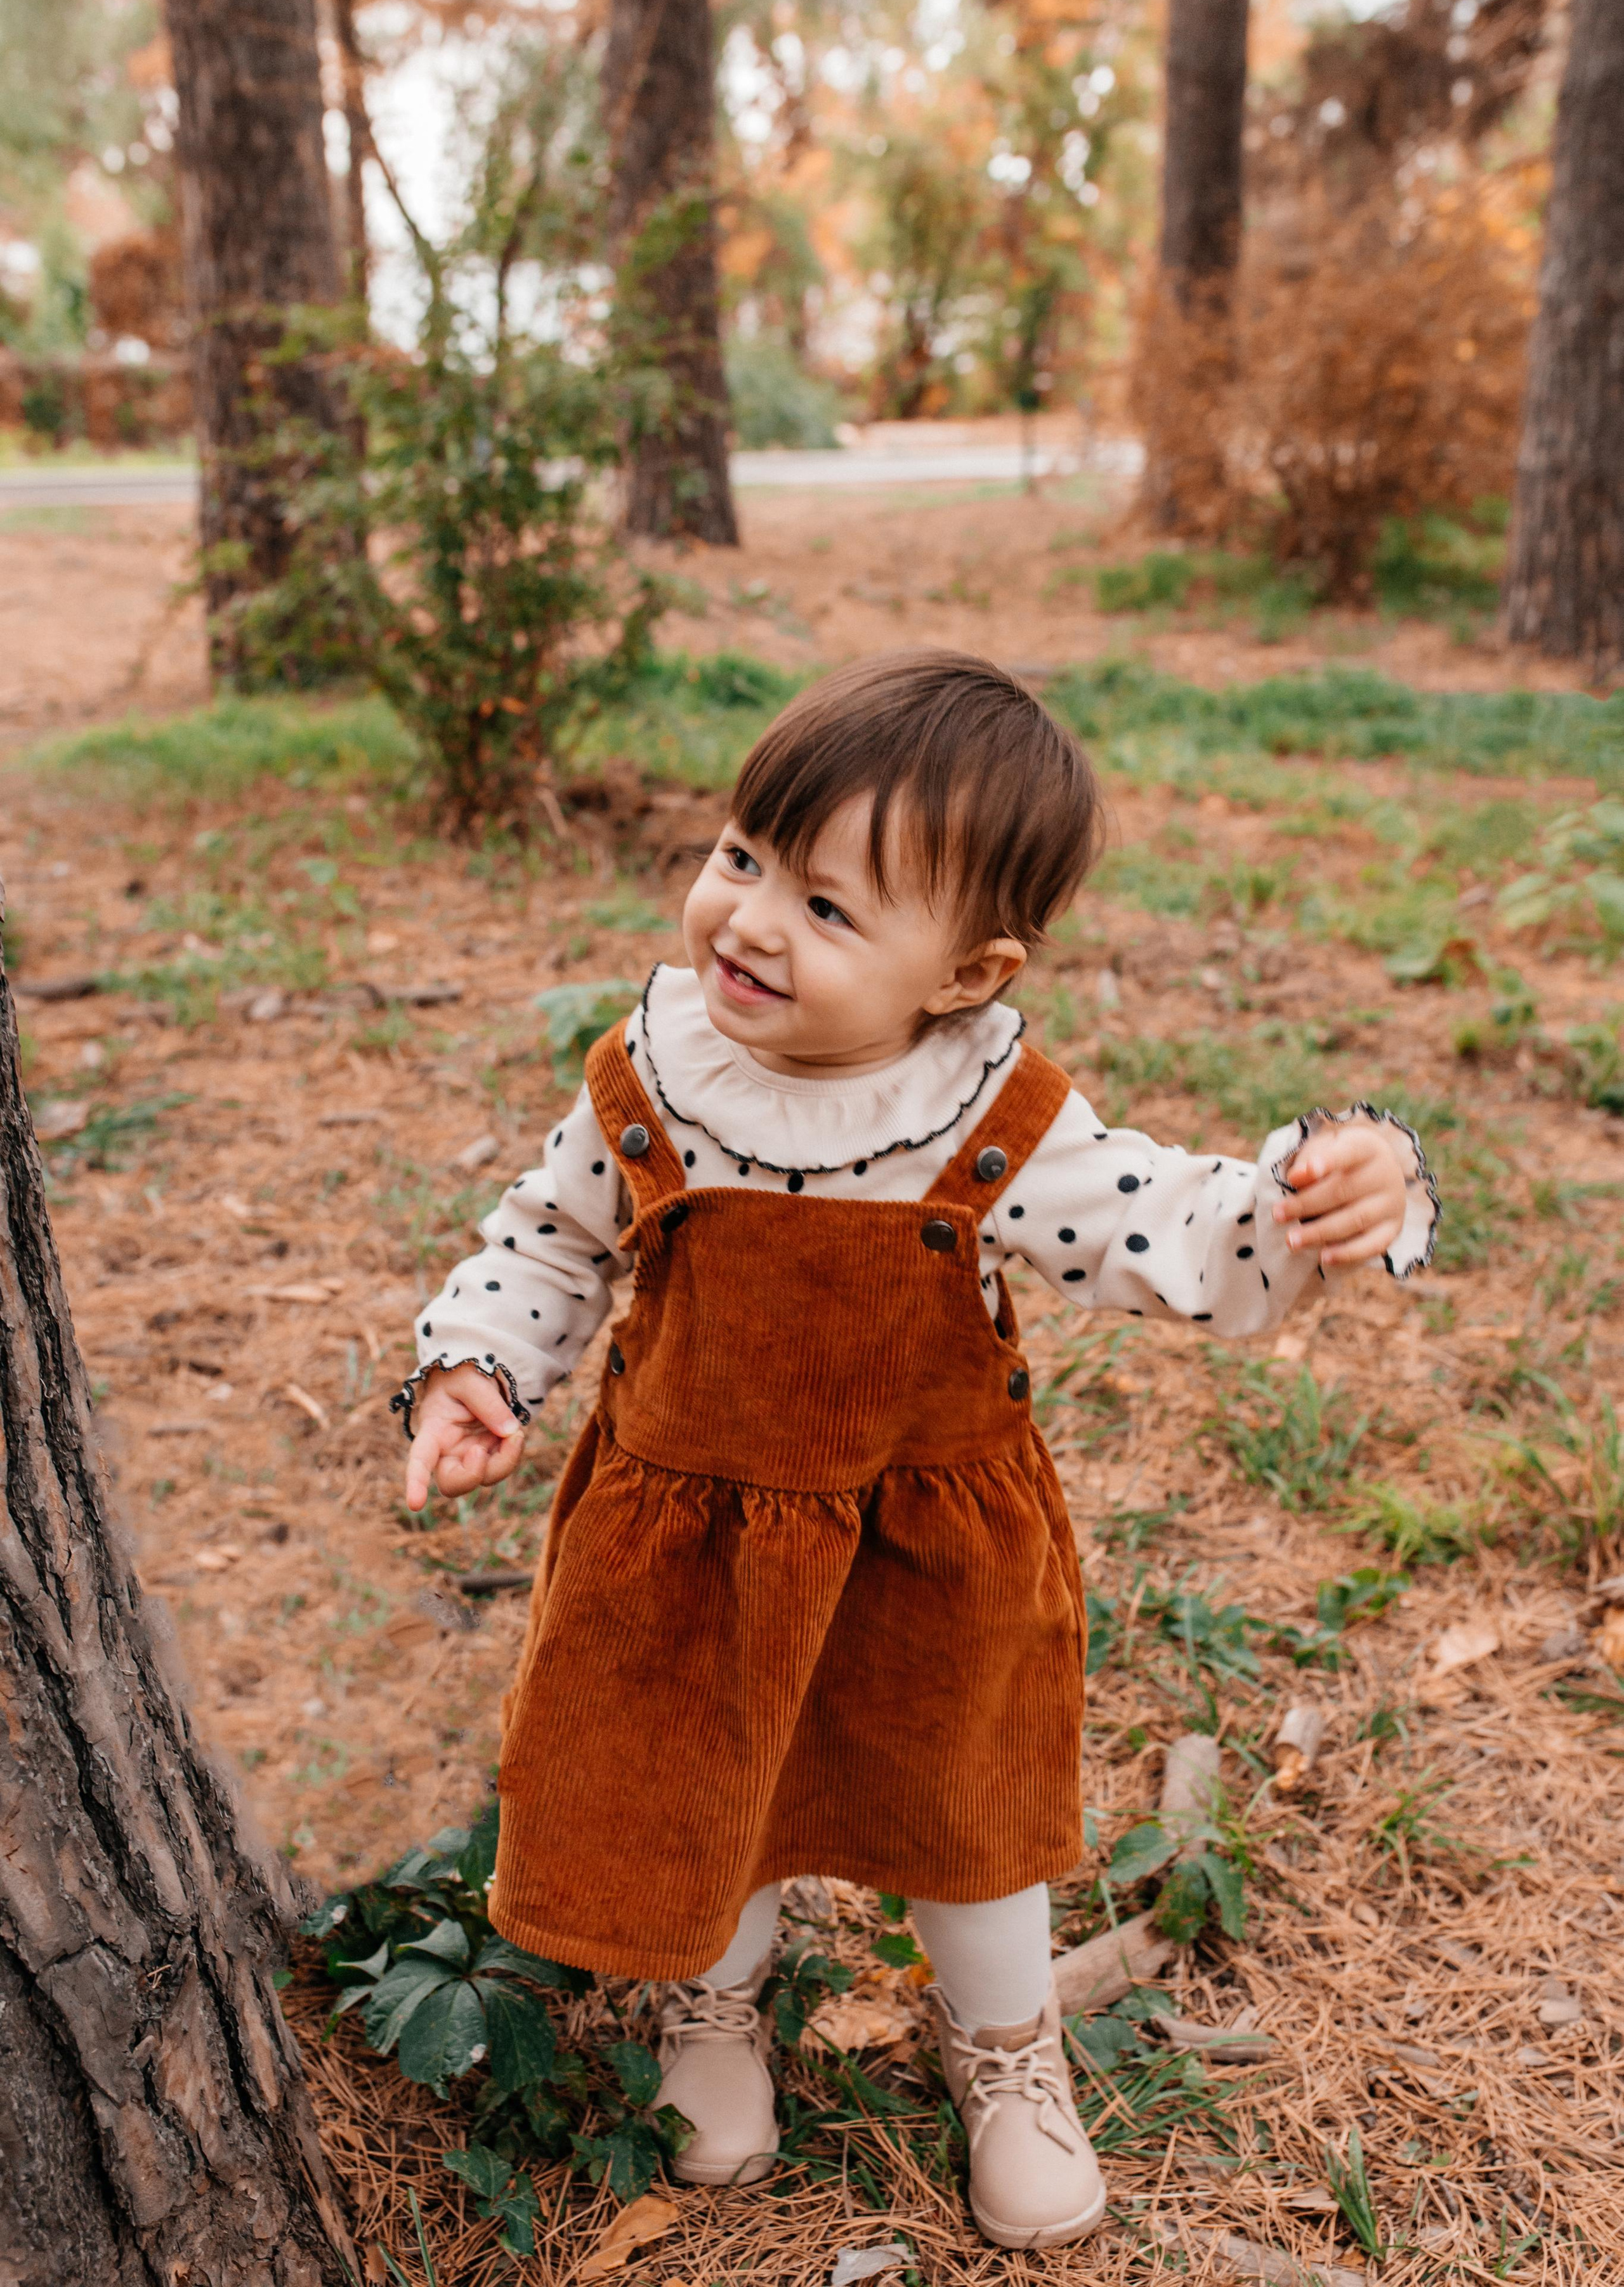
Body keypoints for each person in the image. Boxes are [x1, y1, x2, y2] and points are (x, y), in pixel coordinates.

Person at [394, 650, 1436, 2250]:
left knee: (959, 1804)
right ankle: (712, 2016)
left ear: (963, 972)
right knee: (703, 1779)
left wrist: (1318, 1184)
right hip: (689, 1531)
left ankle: (1008, 2057)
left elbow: (1166, 1225)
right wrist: (480, 1363)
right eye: (744, 857)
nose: (747, 920)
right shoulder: (650, 1073)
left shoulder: (986, 1114)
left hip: (918, 1544)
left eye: (828, 909)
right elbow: (549, 1237)